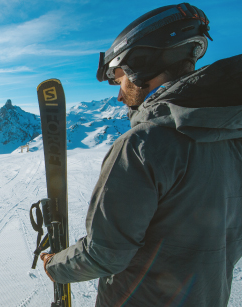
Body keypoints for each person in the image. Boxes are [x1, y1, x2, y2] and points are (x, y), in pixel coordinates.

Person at [40, 3, 242, 306]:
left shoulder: (143, 144)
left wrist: (54, 265)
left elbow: (105, 255)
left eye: (120, 78)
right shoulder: (233, 135)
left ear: (141, 66)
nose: (119, 94)